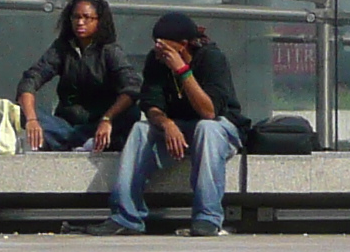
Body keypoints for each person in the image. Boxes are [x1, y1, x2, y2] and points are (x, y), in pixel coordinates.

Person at [107, 13, 249, 237]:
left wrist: (182, 70)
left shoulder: (212, 58)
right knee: (140, 129)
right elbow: (151, 105)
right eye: (156, 43)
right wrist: (167, 124)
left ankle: (208, 218)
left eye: (164, 46)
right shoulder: (155, 61)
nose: (158, 50)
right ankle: (126, 217)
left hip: (220, 130)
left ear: (183, 45)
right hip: (178, 129)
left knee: (206, 128)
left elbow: (209, 111)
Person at [17, 0, 140, 153]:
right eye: (76, 17)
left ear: (99, 21)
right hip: (66, 124)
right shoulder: (62, 48)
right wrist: (31, 119)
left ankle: (77, 142)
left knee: (131, 114)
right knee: (20, 112)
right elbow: (31, 79)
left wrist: (107, 118)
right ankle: (78, 143)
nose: (80, 22)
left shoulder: (110, 51)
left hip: (101, 123)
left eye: (87, 18)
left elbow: (132, 87)